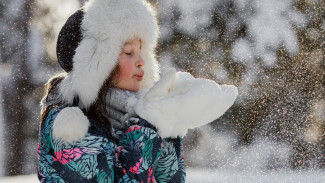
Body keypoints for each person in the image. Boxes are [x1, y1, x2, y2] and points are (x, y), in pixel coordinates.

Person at [38, 0, 238, 182]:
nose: (141, 61)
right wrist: (147, 128)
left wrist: (167, 123)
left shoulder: (138, 117)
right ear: (97, 62)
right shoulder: (67, 123)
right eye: (128, 52)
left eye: (143, 51)